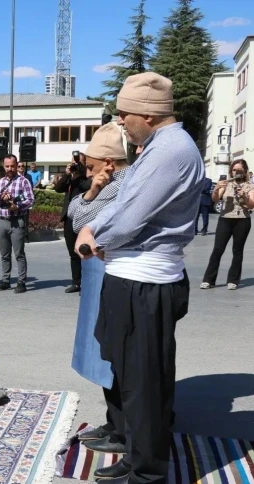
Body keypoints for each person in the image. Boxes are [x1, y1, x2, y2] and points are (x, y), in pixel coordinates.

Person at [75, 72, 203, 484]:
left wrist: (96, 238)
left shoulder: (171, 151)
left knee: (144, 380)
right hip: (130, 275)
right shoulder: (156, 147)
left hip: (146, 281)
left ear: (148, 114)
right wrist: (92, 229)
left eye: (124, 113)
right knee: (131, 374)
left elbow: (130, 217)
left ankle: (147, 471)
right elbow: (124, 203)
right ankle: (137, 452)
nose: (120, 121)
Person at [66, 122, 130, 449]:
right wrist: (90, 191)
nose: (86, 171)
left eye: (90, 166)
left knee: (112, 352)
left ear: (108, 161)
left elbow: (82, 221)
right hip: (98, 270)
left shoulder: (125, 184)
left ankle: (122, 428)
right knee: (101, 347)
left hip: (113, 272)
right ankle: (113, 421)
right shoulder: (104, 184)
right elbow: (75, 216)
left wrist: (91, 198)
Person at [201, 159, 254, 291]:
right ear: (231, 171)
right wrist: (217, 188)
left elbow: (251, 205)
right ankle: (208, 280)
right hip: (225, 219)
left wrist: (245, 196)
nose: (236, 172)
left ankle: (233, 280)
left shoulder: (249, 186)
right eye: (234, 169)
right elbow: (215, 199)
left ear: (245, 171)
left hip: (242, 220)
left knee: (237, 251)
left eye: (239, 170)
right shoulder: (226, 184)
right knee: (217, 250)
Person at [0, 154, 34, 293]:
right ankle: (5, 280)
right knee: (4, 253)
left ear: (16, 166)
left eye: (12, 166)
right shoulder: (0, 182)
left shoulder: (23, 181)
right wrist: (1, 197)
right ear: (4, 166)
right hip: (2, 221)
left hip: (16, 221)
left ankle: (21, 282)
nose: (10, 168)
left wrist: (18, 205)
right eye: (7, 166)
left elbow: (31, 199)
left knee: (19, 253)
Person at [55, 153, 91, 293]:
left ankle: (87, 282)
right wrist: (67, 175)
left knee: (85, 251)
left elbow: (85, 187)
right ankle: (76, 282)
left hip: (83, 218)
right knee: (73, 252)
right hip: (69, 219)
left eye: (78, 163)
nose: (75, 165)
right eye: (73, 163)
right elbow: (58, 188)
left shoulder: (87, 177)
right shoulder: (70, 177)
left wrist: (78, 175)